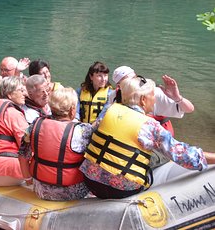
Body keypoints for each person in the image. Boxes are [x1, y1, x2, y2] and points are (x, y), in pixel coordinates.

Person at [80, 76, 215, 199]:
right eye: (153, 95)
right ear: (143, 100)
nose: (155, 99)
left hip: (91, 181)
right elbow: (183, 155)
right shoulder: (149, 125)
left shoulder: (110, 110)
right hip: (122, 189)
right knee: (160, 158)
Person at [19, 88, 92, 200]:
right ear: (72, 110)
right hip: (73, 191)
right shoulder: (83, 130)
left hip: (41, 188)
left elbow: (23, 155)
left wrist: (28, 179)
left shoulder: (35, 125)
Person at [112, 66, 194, 136]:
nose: (134, 82)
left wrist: (177, 98)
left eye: (135, 78)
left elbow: (189, 109)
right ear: (119, 86)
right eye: (127, 82)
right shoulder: (114, 97)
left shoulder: (153, 93)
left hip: (158, 137)